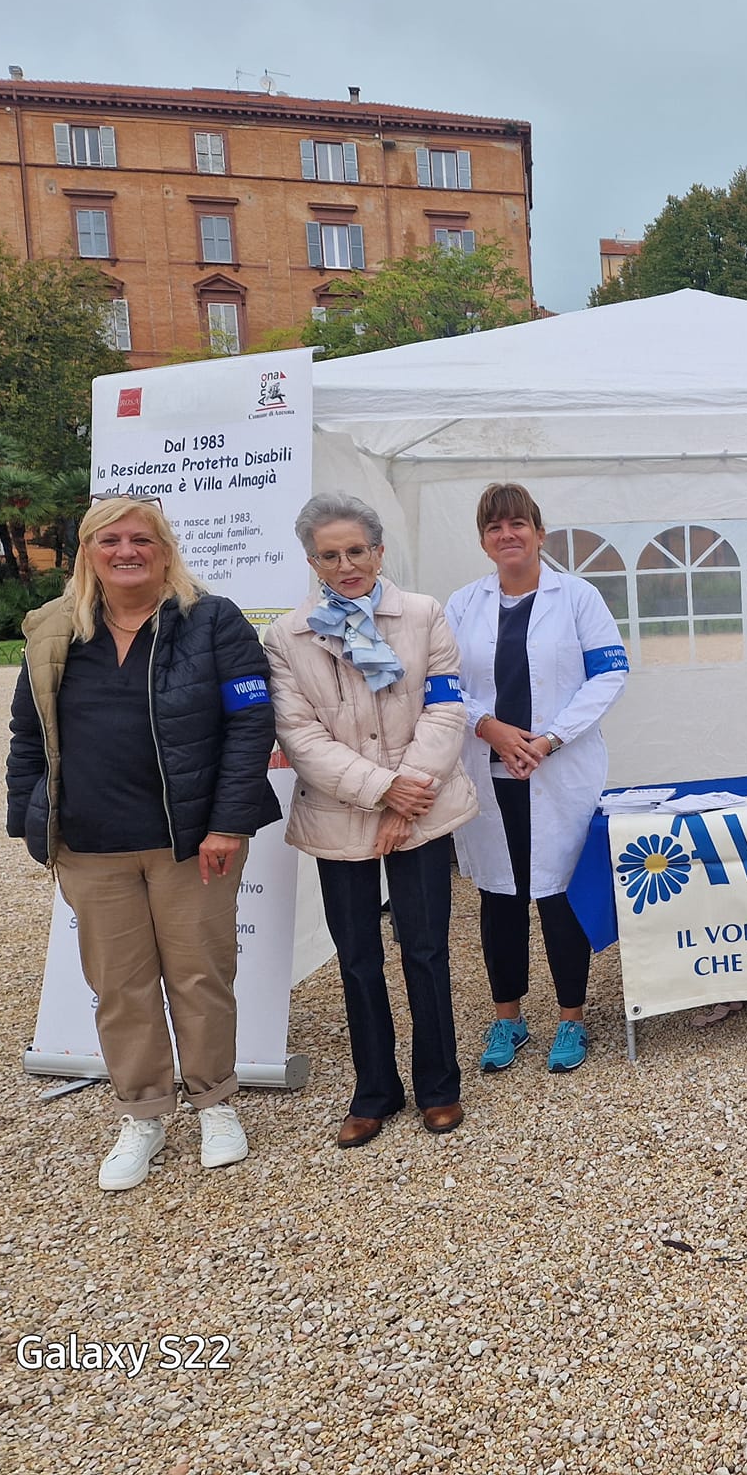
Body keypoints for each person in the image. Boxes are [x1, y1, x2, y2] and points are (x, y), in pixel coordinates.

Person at [6, 496, 280, 1189]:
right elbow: (28, 735)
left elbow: (251, 724)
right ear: (88, 552)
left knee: (200, 977)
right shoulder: (53, 629)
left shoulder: (211, 621)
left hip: (190, 842)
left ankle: (215, 1101)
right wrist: (31, 823)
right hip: (91, 846)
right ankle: (143, 1114)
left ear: (164, 550)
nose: (126, 551)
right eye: (110, 541)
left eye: (141, 539)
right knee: (120, 988)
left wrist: (228, 822)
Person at [265, 493, 478, 1149]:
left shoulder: (422, 615)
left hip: (423, 806)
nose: (346, 563)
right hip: (341, 816)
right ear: (312, 562)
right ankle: (375, 1090)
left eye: (357, 550)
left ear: (379, 551)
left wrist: (407, 797)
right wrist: (386, 793)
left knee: (425, 950)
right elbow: (300, 737)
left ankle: (439, 1086)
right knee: (357, 959)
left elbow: (445, 708)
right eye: (330, 555)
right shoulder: (286, 636)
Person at [447, 484, 628, 1075]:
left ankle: (571, 1019)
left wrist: (550, 738)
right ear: (482, 541)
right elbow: (444, 685)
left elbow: (608, 674)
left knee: (556, 896)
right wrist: (490, 729)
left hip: (558, 766)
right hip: (491, 769)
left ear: (539, 533)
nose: (508, 536)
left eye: (518, 524)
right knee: (500, 898)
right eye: (495, 528)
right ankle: (510, 1018)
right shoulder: (461, 606)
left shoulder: (577, 597)